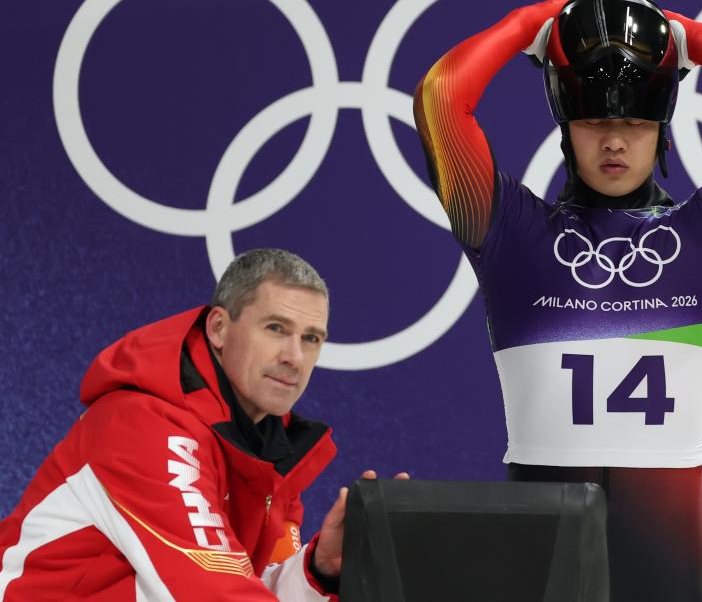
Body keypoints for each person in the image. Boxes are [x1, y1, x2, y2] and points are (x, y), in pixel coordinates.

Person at [413, 0, 702, 600]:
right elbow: (441, 98)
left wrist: (687, 35)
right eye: (595, 122)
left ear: (663, 132)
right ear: (566, 130)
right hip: (540, 568)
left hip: (665, 574)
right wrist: (530, 22)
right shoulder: (511, 234)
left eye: (635, 123)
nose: (615, 141)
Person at [0, 248, 402, 600]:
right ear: (218, 328)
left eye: (311, 338)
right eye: (276, 328)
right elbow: (213, 591)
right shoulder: (143, 425)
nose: (294, 357)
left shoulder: (269, 451)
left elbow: (249, 588)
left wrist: (319, 570)